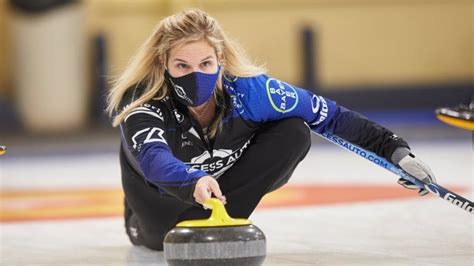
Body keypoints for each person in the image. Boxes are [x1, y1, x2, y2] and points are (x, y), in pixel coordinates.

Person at [106, 9, 436, 251]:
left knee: (293, 129)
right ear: (163, 64)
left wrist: (397, 152)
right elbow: (153, 160)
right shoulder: (141, 100)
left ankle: (227, 219)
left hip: (224, 194)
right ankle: (194, 217)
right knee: (163, 240)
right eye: (182, 66)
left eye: (206, 64)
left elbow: (333, 117)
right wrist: (193, 180)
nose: (196, 74)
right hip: (159, 205)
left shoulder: (251, 92)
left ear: (220, 59)